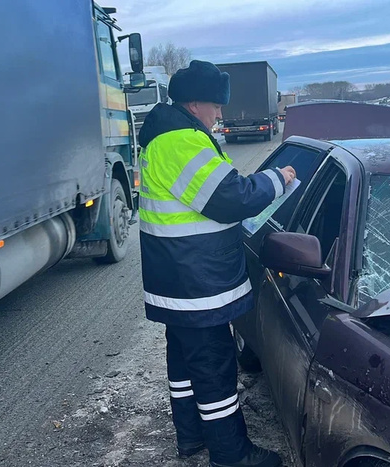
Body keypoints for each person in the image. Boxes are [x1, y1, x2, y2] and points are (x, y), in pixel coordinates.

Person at [136, 60, 295, 467]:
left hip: (177, 280)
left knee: (185, 367)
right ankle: (231, 454)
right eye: (216, 105)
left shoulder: (167, 135)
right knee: (215, 372)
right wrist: (279, 179)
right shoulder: (181, 140)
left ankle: (191, 438)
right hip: (197, 282)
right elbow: (230, 198)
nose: (221, 113)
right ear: (195, 103)